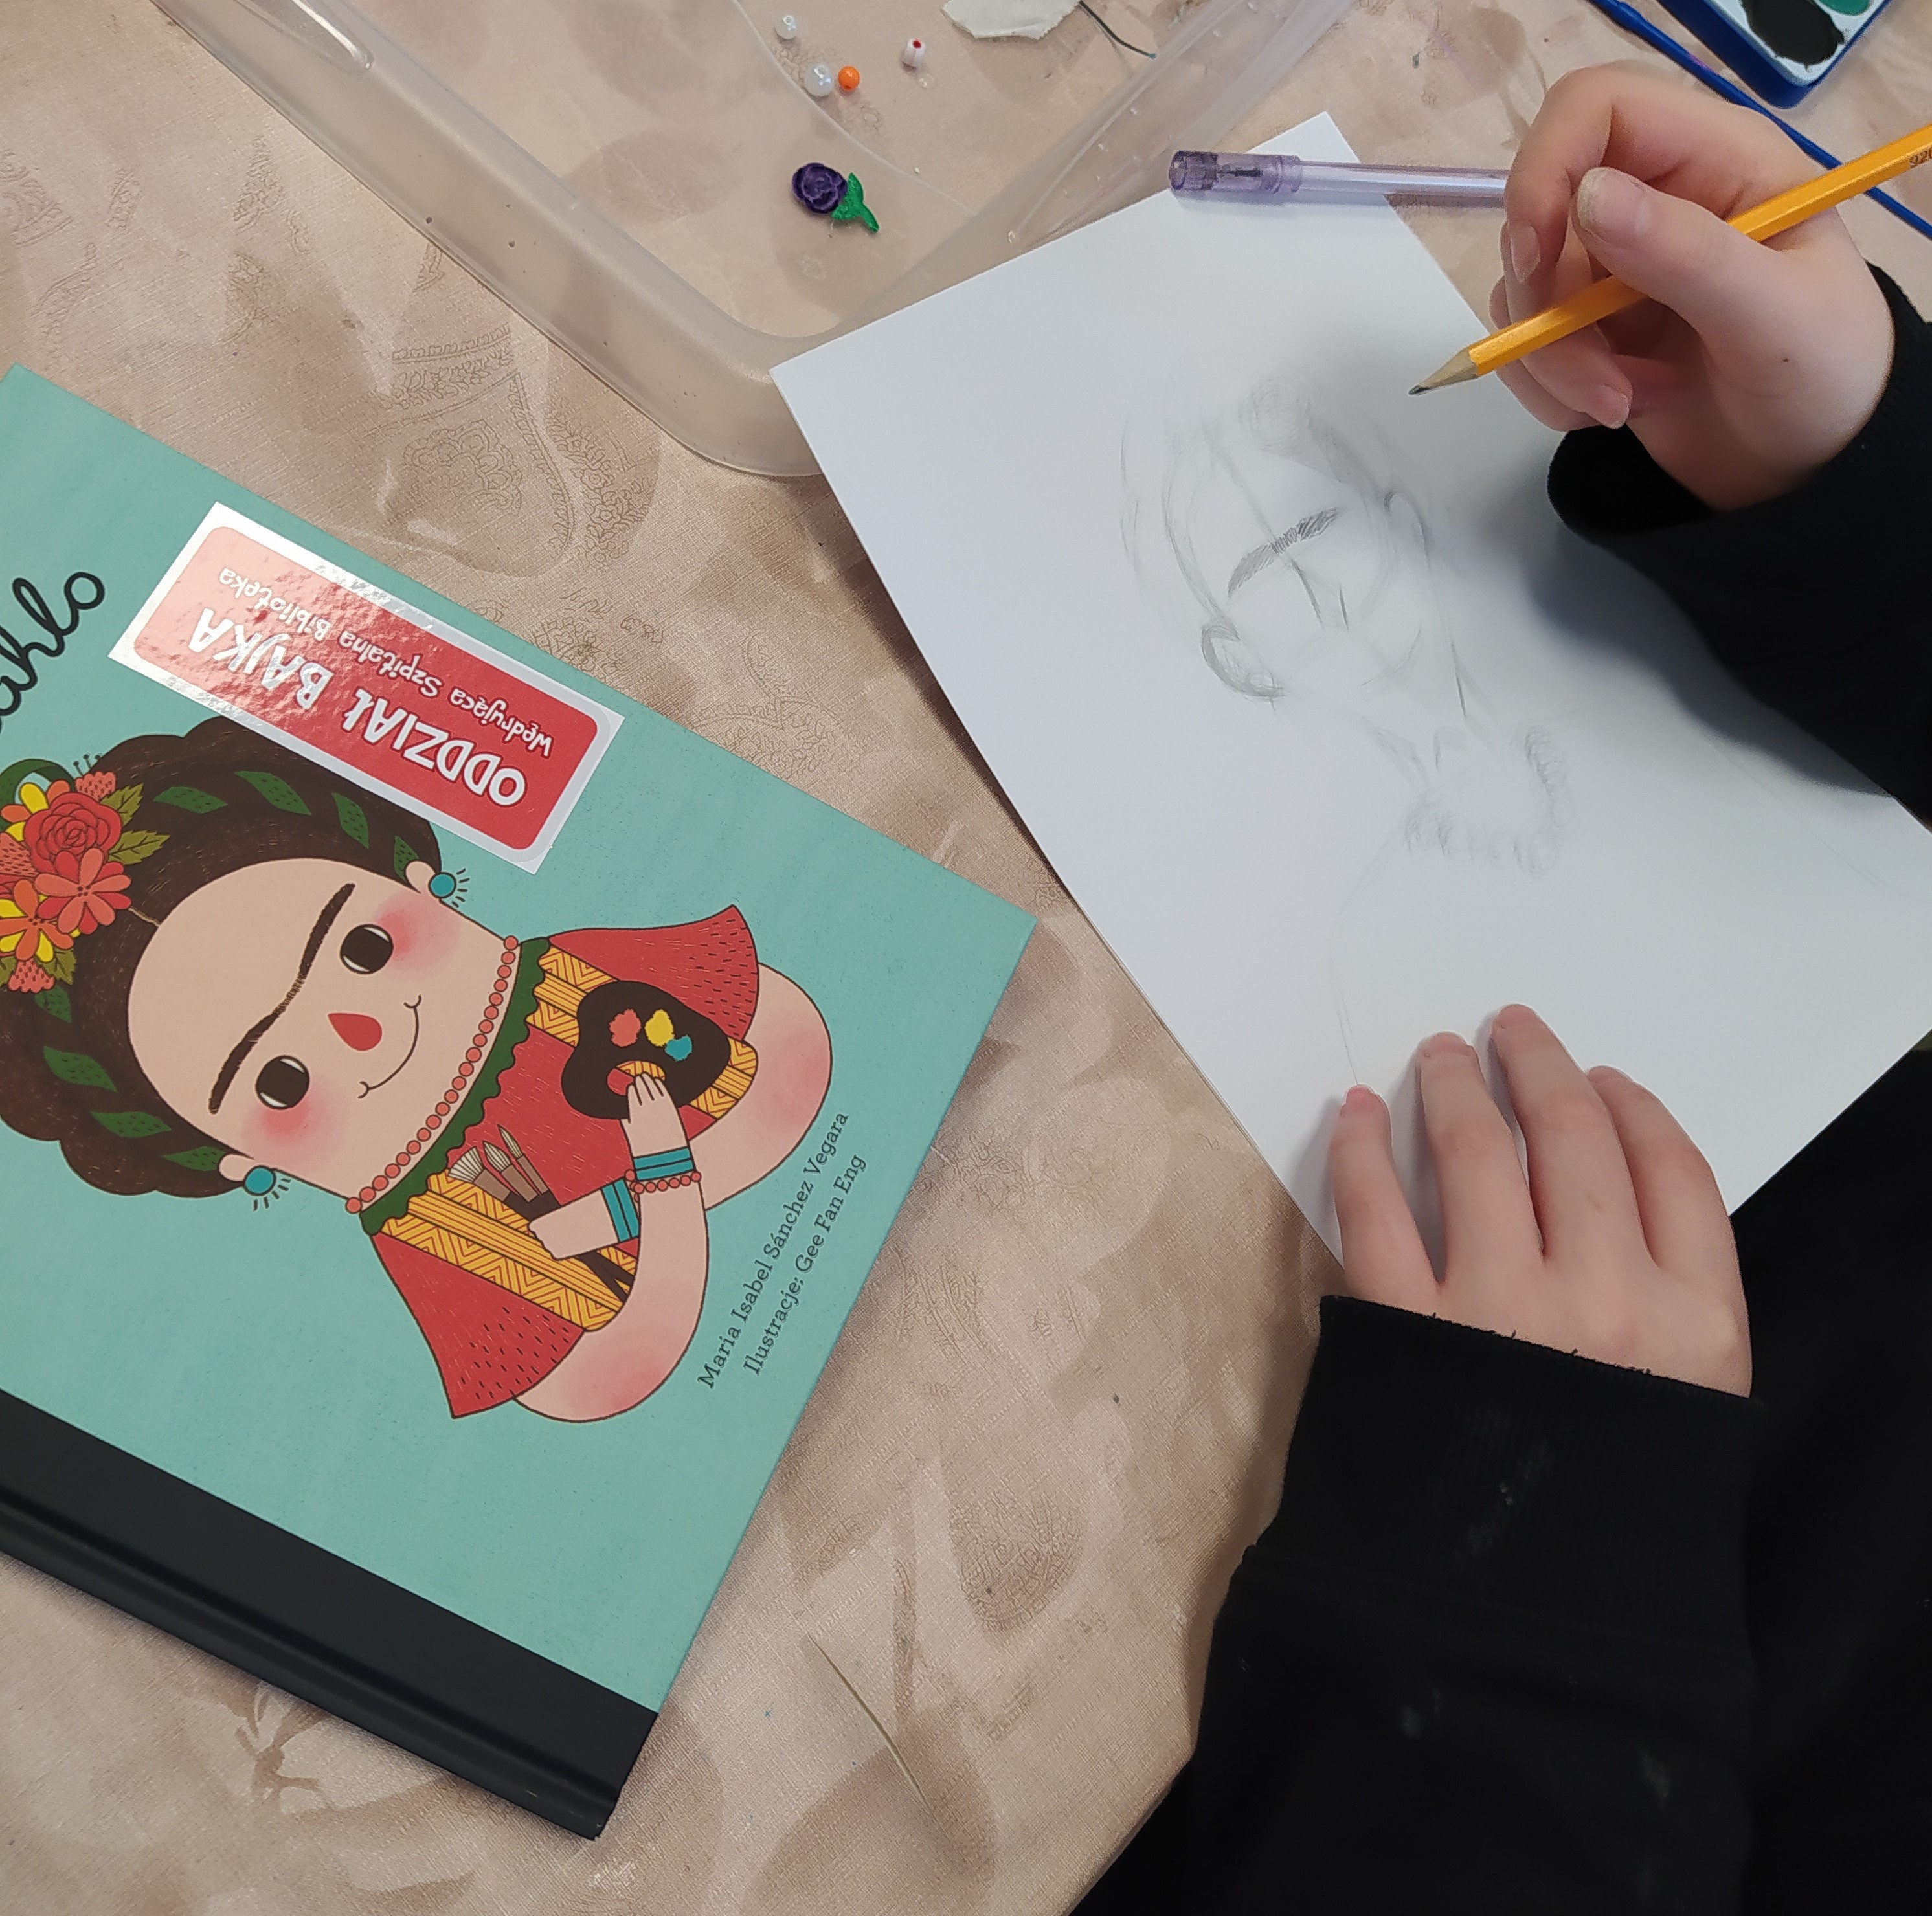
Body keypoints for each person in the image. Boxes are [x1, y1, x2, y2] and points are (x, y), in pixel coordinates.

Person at [1077, 65, 1929, 1911]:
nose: (1336, 591)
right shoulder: (1364, 924)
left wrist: (1553, 1555)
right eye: (1280, 570)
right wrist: (1864, 475)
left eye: (1318, 535)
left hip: (1505, 1628)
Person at [0, 716, 833, 1422]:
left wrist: (621, 1206)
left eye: (364, 947)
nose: (360, 1032)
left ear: (414, 875)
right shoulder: (431, 1225)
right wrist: (663, 1180)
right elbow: (602, 1377)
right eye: (279, 1079)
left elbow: (790, 1048)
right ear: (232, 1159)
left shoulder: (568, 987)